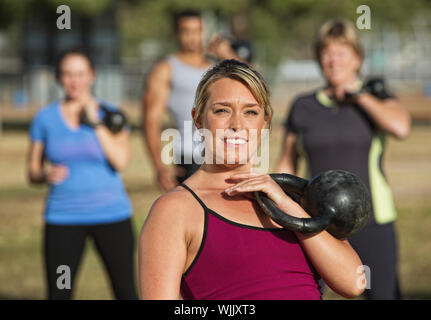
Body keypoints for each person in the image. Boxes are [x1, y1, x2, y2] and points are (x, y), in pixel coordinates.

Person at [138, 59, 366, 300]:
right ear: (198, 119)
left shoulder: (294, 198)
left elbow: (353, 283)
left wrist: (289, 207)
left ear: (264, 122)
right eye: (222, 110)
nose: (237, 125)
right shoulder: (174, 210)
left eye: (250, 112)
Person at [276, 19, 411, 300]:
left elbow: (401, 127)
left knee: (382, 295)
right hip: (317, 222)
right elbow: (286, 163)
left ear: (357, 58)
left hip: (372, 219)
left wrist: (359, 95)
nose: (333, 60)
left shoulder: (374, 97)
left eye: (341, 53)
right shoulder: (303, 106)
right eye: (327, 53)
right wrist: (278, 205)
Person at [27, 48, 137, 300]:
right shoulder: (44, 119)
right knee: (60, 293)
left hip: (112, 215)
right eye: (67, 74)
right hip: (63, 217)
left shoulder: (112, 115)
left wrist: (95, 122)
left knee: (125, 291)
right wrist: (45, 175)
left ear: (92, 76)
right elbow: (32, 172)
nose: (74, 81)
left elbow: (120, 161)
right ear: (58, 77)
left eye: (80, 74)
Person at [142, 9, 241, 192]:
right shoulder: (166, 69)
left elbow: (252, 86)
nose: (192, 37)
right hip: (190, 156)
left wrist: (227, 54)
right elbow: (151, 120)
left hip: (224, 152)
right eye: (186, 31)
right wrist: (159, 167)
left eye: (197, 30)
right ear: (176, 33)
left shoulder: (218, 66)